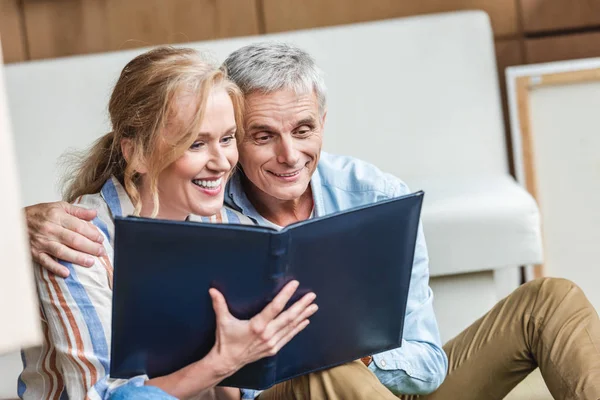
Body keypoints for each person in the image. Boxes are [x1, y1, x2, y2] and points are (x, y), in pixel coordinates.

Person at [24, 43, 600, 399]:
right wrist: (18, 223)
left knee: (548, 300)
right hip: (311, 389)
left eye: (303, 131)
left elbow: (428, 365)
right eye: (257, 136)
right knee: (327, 376)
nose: (286, 156)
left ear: (324, 122)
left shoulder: (373, 195)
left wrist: (357, 342)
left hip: (399, 387)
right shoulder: (207, 216)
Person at [18, 46, 321, 400]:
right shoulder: (79, 242)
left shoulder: (231, 225)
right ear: (138, 153)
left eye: (227, 139)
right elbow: (98, 397)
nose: (222, 162)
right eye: (195, 144)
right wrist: (223, 362)